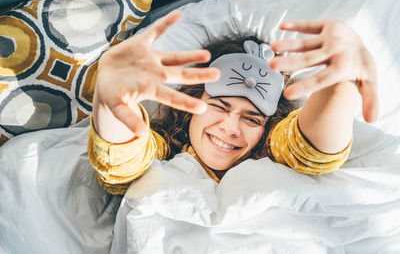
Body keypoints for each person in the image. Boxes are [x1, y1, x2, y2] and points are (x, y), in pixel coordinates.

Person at [88, 11, 378, 194]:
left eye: (252, 119)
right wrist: (111, 100)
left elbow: (311, 149)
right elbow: (123, 166)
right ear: (191, 103)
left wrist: (342, 83)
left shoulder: (270, 152)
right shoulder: (167, 152)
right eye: (219, 106)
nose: (230, 127)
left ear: (269, 125)